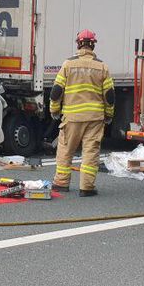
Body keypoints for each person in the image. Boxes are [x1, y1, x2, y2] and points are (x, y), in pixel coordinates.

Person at [50, 30, 114, 197]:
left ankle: (61, 183)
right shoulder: (102, 67)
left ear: (78, 44)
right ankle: (87, 187)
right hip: (94, 118)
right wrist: (109, 114)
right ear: (93, 44)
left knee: (65, 150)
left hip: (71, 117)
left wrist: (54, 110)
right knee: (90, 152)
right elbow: (109, 96)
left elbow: (56, 91)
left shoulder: (68, 65)